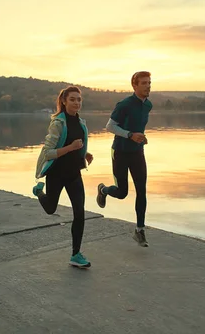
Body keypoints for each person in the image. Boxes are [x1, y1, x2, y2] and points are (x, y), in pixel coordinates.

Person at [32, 86, 94, 268]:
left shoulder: (81, 122)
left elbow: (77, 145)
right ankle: (39, 192)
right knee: (51, 208)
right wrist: (71, 148)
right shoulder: (58, 123)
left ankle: (76, 254)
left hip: (74, 173)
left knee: (80, 213)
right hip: (56, 173)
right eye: (73, 99)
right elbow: (48, 153)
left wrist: (84, 155)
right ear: (64, 101)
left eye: (79, 99)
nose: (76, 102)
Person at [96, 71, 152, 247]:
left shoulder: (148, 105)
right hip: (120, 152)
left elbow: (137, 127)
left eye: (149, 82)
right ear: (134, 86)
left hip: (137, 152)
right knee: (122, 193)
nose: (148, 86)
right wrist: (129, 135)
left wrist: (141, 137)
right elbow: (110, 126)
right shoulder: (124, 105)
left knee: (141, 190)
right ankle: (103, 190)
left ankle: (140, 230)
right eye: (143, 83)